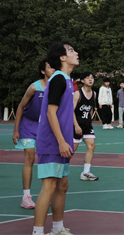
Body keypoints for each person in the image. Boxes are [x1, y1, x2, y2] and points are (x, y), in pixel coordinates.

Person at [33, 41, 79, 235]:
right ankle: (37, 232)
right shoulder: (58, 79)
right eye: (71, 50)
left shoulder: (67, 80)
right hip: (52, 142)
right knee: (49, 185)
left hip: (62, 141)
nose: (76, 53)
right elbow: (51, 113)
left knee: (62, 185)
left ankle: (58, 228)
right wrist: (61, 141)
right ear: (62, 57)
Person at [12, 58, 55, 209]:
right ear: (43, 71)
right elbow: (20, 107)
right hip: (28, 126)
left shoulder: (57, 88)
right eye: (50, 67)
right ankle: (26, 197)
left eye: (55, 67)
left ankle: (47, 195)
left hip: (46, 127)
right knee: (30, 157)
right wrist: (16, 130)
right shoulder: (34, 87)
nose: (53, 70)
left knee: (47, 160)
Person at [73, 72, 99, 181]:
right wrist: (76, 126)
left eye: (92, 78)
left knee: (91, 146)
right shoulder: (77, 94)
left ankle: (86, 172)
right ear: (82, 81)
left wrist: (89, 121)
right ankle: (58, 169)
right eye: (87, 78)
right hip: (76, 125)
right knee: (71, 151)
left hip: (87, 125)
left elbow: (91, 108)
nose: (90, 79)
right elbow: (71, 111)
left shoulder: (94, 94)